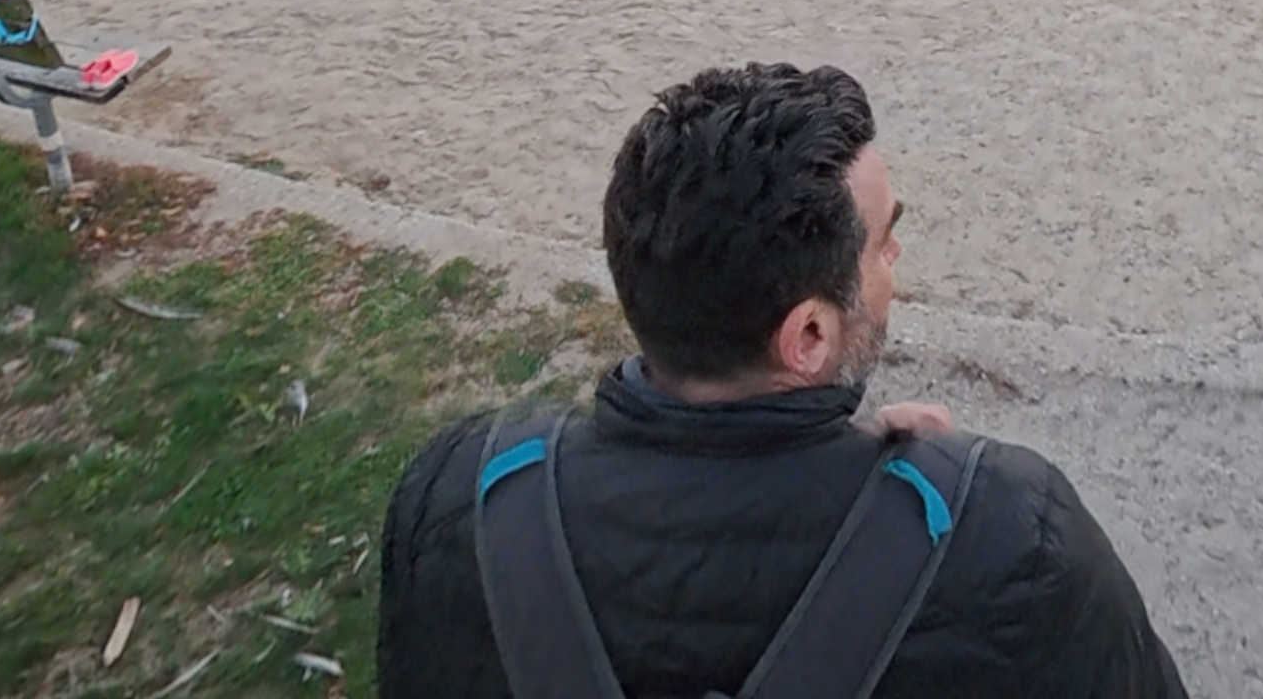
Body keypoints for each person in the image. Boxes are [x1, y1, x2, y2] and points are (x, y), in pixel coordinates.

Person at [380, 63, 1189, 697]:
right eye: (882, 245)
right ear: (808, 336)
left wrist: (853, 482)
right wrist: (943, 510)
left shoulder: (462, 501)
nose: (894, 263)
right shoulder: (1016, 536)